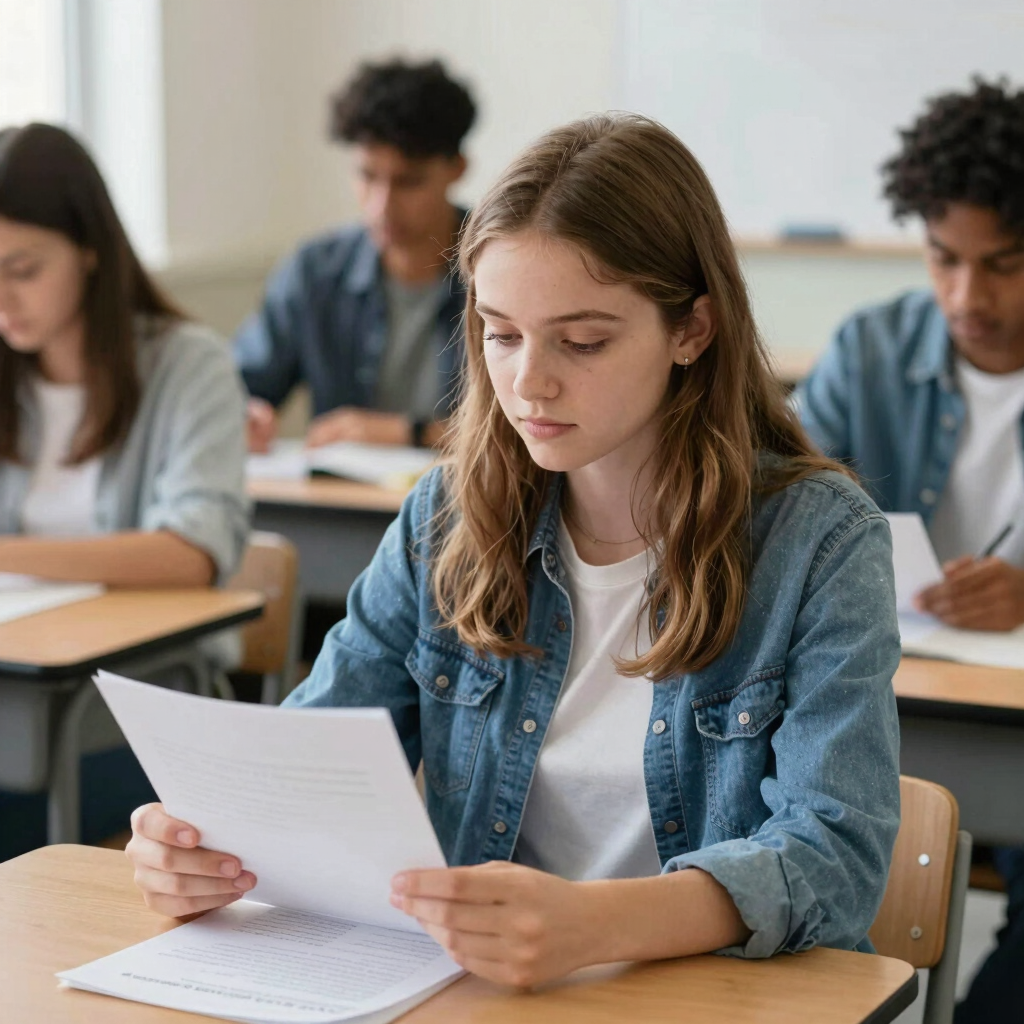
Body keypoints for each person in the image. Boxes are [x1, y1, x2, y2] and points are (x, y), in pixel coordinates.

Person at [127, 114, 901, 987]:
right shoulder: (445, 516)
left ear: (692, 330)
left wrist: (596, 923)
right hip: (489, 995)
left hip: (717, 995)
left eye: (583, 341)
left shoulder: (821, 542)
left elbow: (835, 858)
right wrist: (206, 843)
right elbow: (310, 761)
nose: (529, 382)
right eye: (501, 332)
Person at [796, 79, 1024, 1024]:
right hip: (883, 686)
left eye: (1006, 264)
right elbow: (780, 511)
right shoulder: (870, 349)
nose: (966, 295)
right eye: (943, 259)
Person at [0, 123, 250, 856]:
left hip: (142, 717)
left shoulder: (187, 365)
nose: (2, 297)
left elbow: (194, 552)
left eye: (23, 268)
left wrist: (10, 553)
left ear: (89, 249)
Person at [235, 58, 476, 455]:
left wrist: (410, 433)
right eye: (367, 176)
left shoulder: (500, 270)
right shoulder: (315, 272)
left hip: (472, 503)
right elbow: (240, 385)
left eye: (408, 182)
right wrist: (243, 414)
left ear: (457, 169)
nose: (382, 206)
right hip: (343, 507)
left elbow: (529, 432)